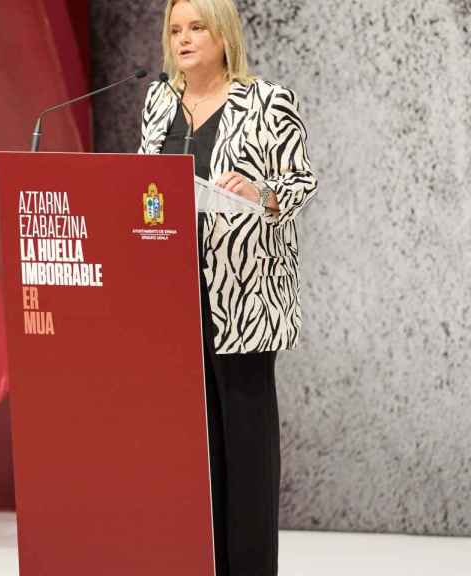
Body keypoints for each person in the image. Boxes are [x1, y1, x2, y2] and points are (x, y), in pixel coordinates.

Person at [137, 0, 318, 574]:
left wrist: (261, 193)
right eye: (176, 30)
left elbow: (301, 182)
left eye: (197, 27)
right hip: (174, 295)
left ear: (223, 34)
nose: (184, 39)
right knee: (193, 455)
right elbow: (144, 183)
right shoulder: (159, 102)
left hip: (243, 298)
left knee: (245, 451)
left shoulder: (267, 101)